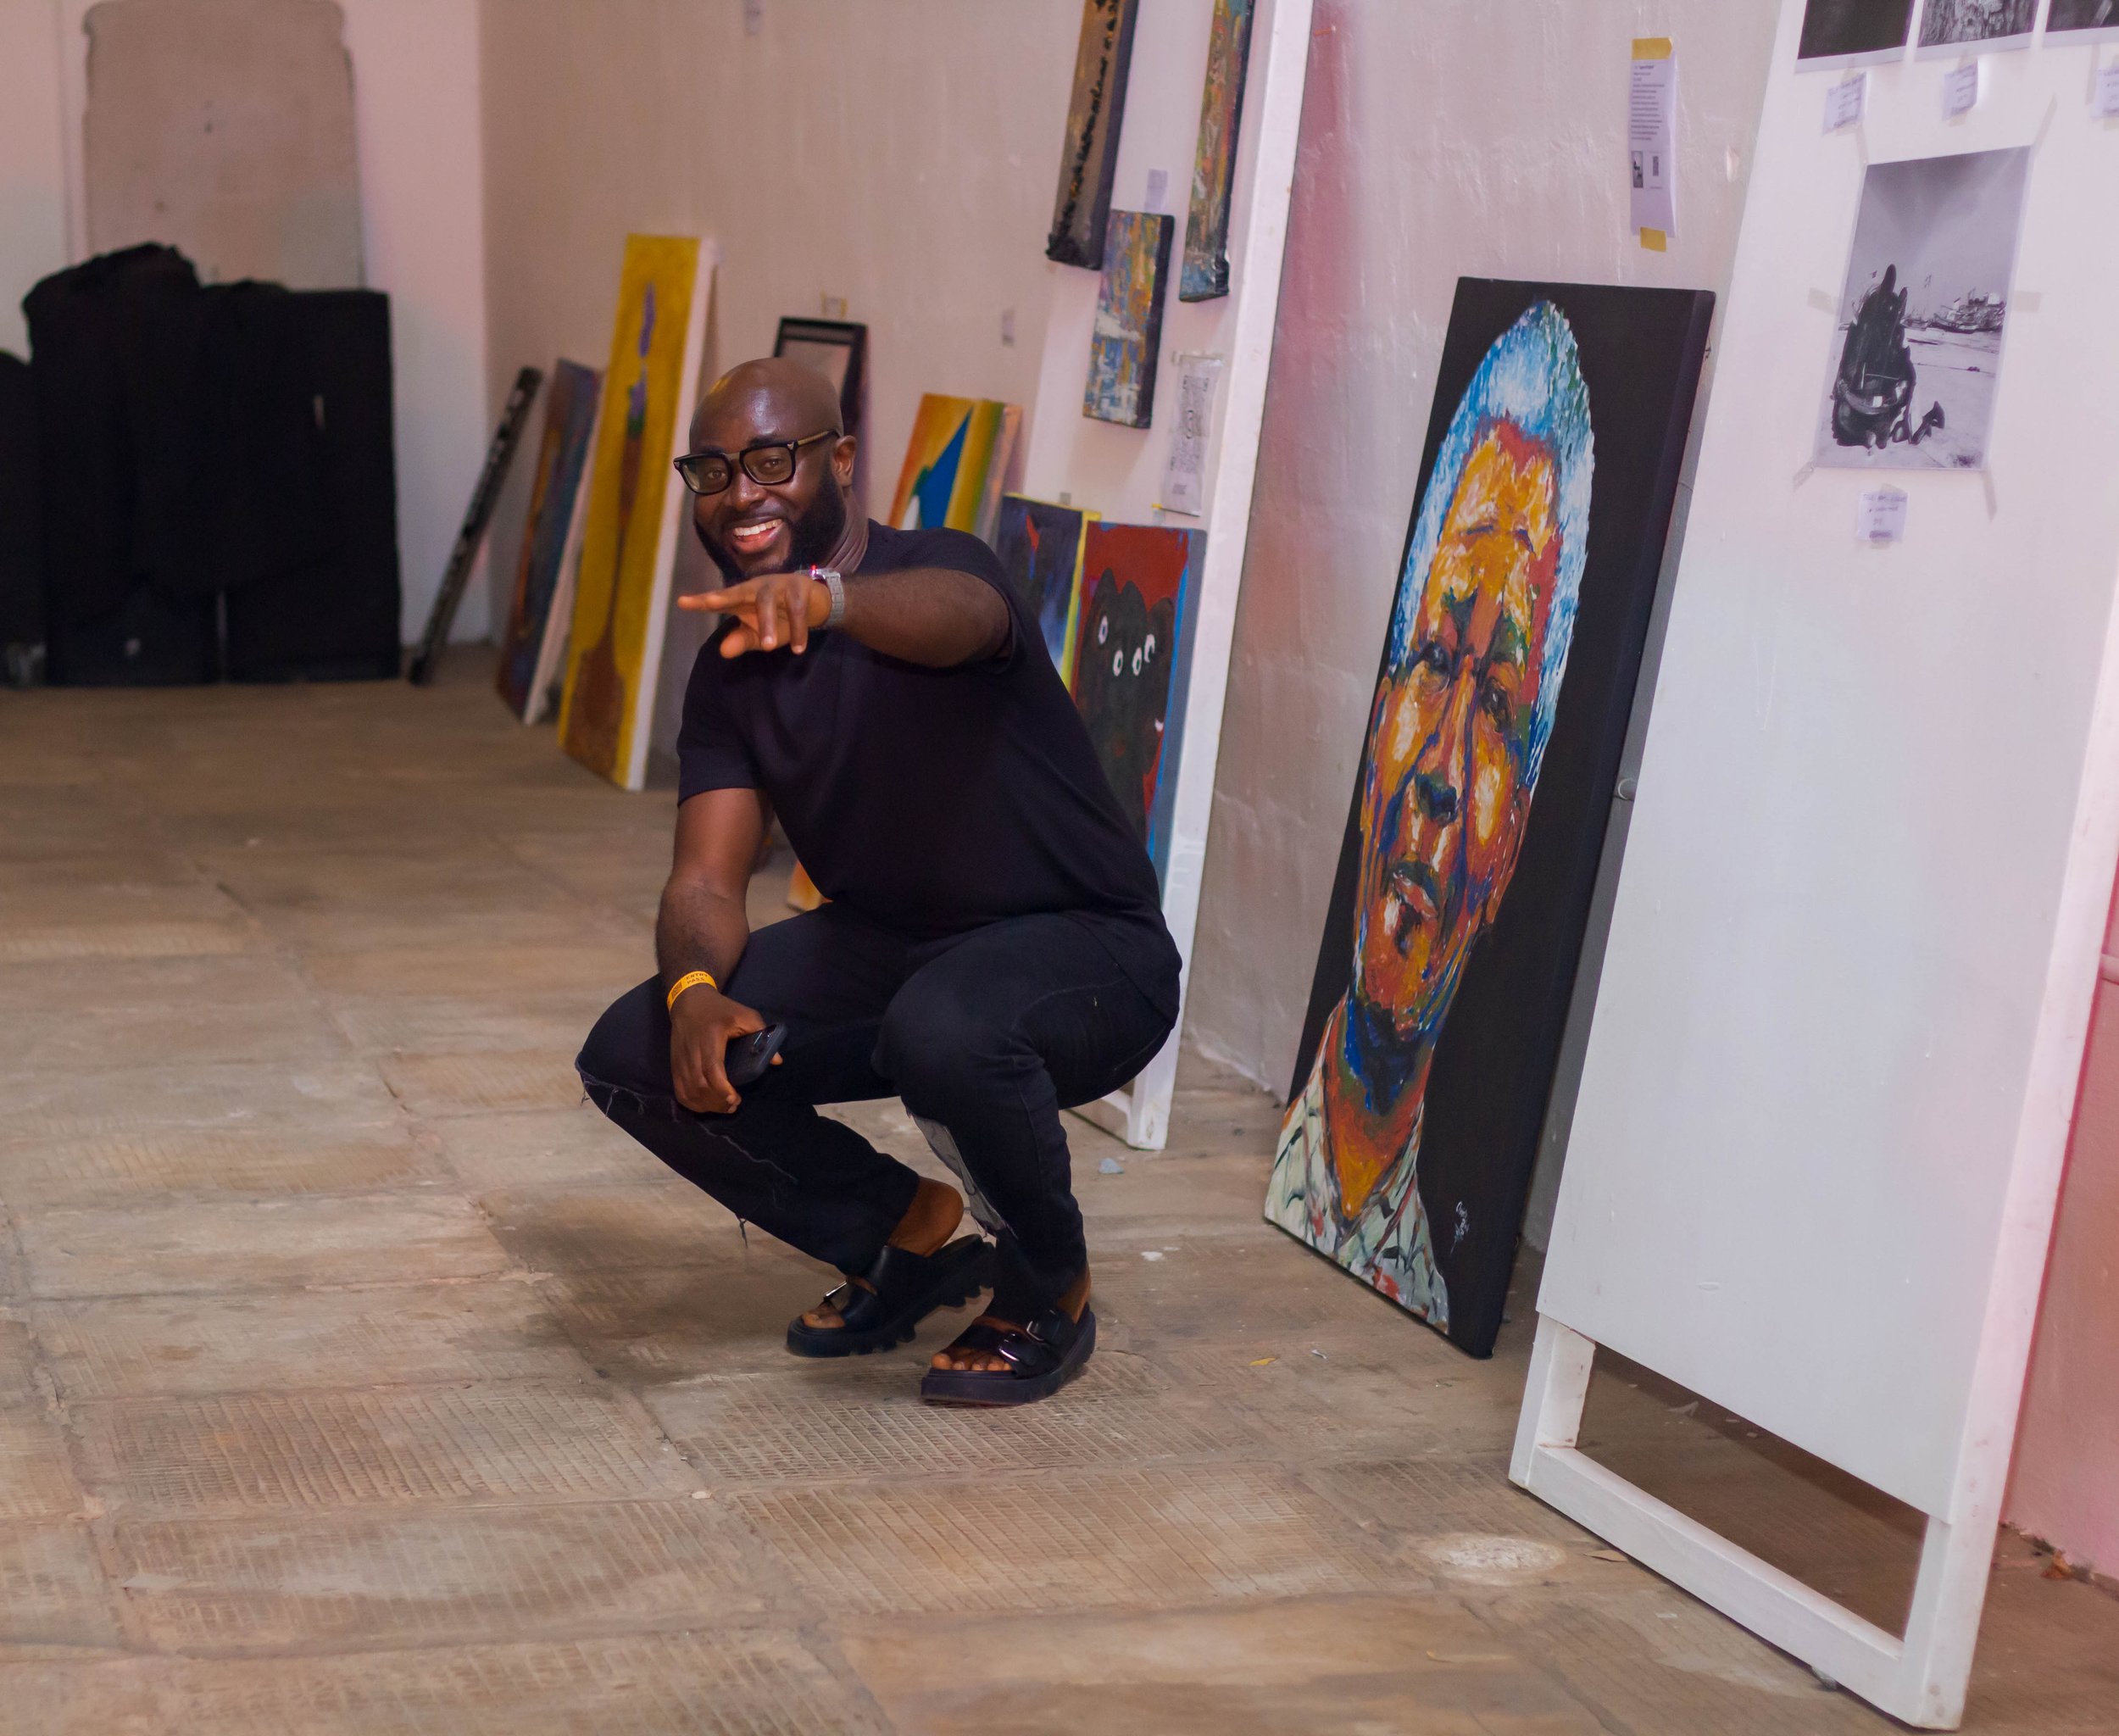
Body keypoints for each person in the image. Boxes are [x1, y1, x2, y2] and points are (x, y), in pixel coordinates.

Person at [576, 359, 1179, 1406]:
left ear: (841, 459)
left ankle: (1047, 1283)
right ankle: (903, 1234)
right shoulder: (730, 667)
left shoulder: (938, 569)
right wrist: (692, 992)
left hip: (1087, 951)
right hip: (892, 949)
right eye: (713, 471)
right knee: (635, 1052)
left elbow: (967, 617)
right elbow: (706, 881)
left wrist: (828, 601)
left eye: (772, 459)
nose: (742, 493)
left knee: (943, 1028)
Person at [1265, 303, 1593, 1327]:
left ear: (1512, 847)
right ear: (1373, 737)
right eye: (1432, 662)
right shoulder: (1285, 1175)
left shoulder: (1435, 1280)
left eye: (1495, 705)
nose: (1442, 767)